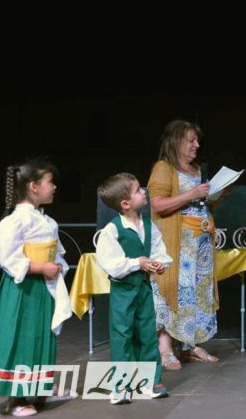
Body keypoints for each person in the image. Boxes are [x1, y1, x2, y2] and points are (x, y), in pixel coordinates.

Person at [0, 159, 71, 417]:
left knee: (42, 335)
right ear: (34, 186)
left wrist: (56, 267)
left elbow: (56, 251)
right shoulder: (15, 220)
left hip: (43, 288)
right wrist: (42, 267)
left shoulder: (46, 220)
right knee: (22, 337)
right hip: (24, 290)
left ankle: (41, 386)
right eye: (50, 182)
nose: (54, 187)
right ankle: (16, 399)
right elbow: (9, 258)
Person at [147, 120, 219, 371]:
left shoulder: (197, 169)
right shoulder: (164, 167)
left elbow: (200, 204)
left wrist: (216, 195)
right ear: (176, 141)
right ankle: (165, 349)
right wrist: (193, 193)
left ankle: (190, 346)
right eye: (191, 140)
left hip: (200, 244)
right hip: (177, 243)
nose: (196, 145)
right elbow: (157, 204)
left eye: (197, 140)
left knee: (198, 293)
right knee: (172, 291)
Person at [96, 173, 173, 404]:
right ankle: (121, 385)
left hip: (143, 288)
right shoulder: (113, 230)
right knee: (122, 335)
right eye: (138, 190)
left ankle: (151, 381)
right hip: (123, 290)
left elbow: (158, 250)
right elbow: (112, 264)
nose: (144, 192)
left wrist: (159, 263)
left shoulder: (148, 225)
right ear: (125, 203)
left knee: (147, 333)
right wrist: (137, 263)